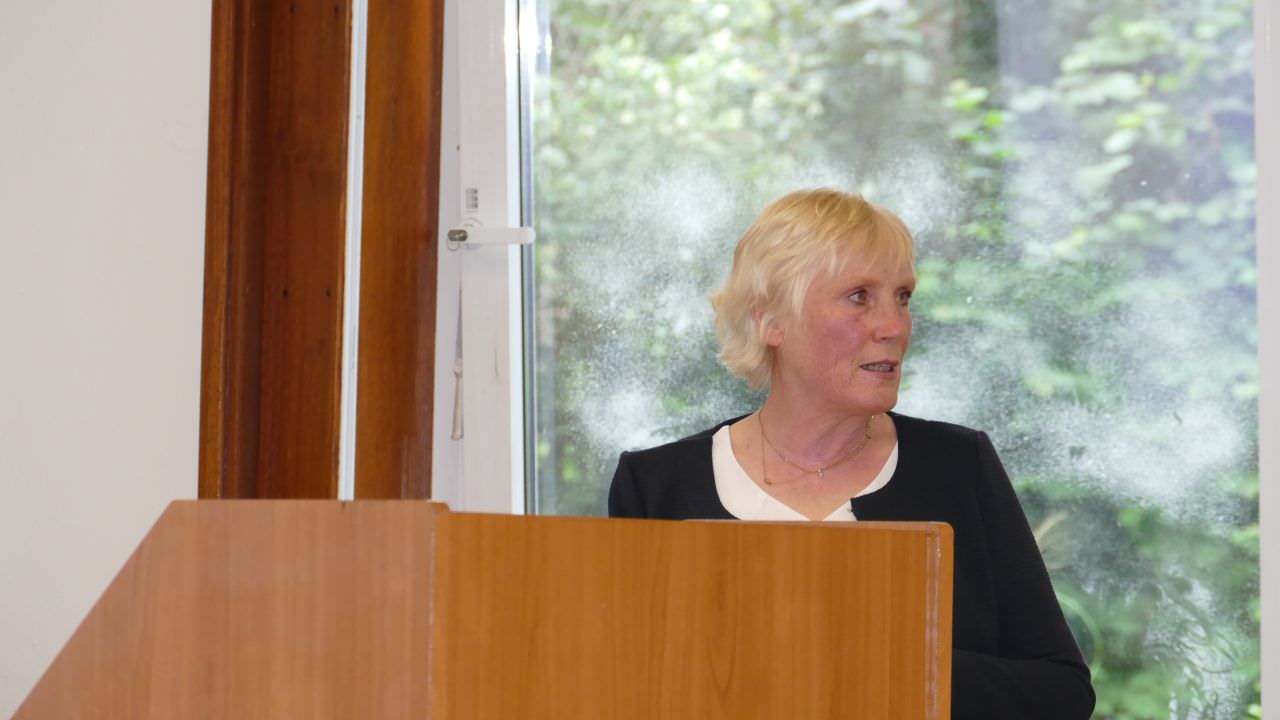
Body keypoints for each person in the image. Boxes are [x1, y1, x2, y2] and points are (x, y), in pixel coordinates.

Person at [608, 188, 1095, 719]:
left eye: (903, 297)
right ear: (770, 320)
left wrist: (891, 666)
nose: (895, 327)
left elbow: (1062, 691)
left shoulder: (959, 466)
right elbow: (619, 689)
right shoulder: (655, 485)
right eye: (860, 296)